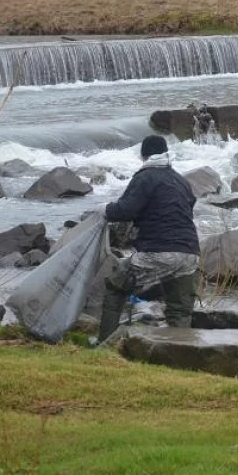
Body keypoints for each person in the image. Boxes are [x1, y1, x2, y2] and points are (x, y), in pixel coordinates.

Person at [97, 135, 200, 342]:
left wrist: (104, 209)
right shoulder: (180, 180)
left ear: (144, 155)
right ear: (166, 153)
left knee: (115, 287)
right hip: (190, 253)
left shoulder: (145, 177)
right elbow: (188, 208)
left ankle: (105, 343)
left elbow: (125, 210)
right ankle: (181, 355)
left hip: (158, 252)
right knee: (179, 310)